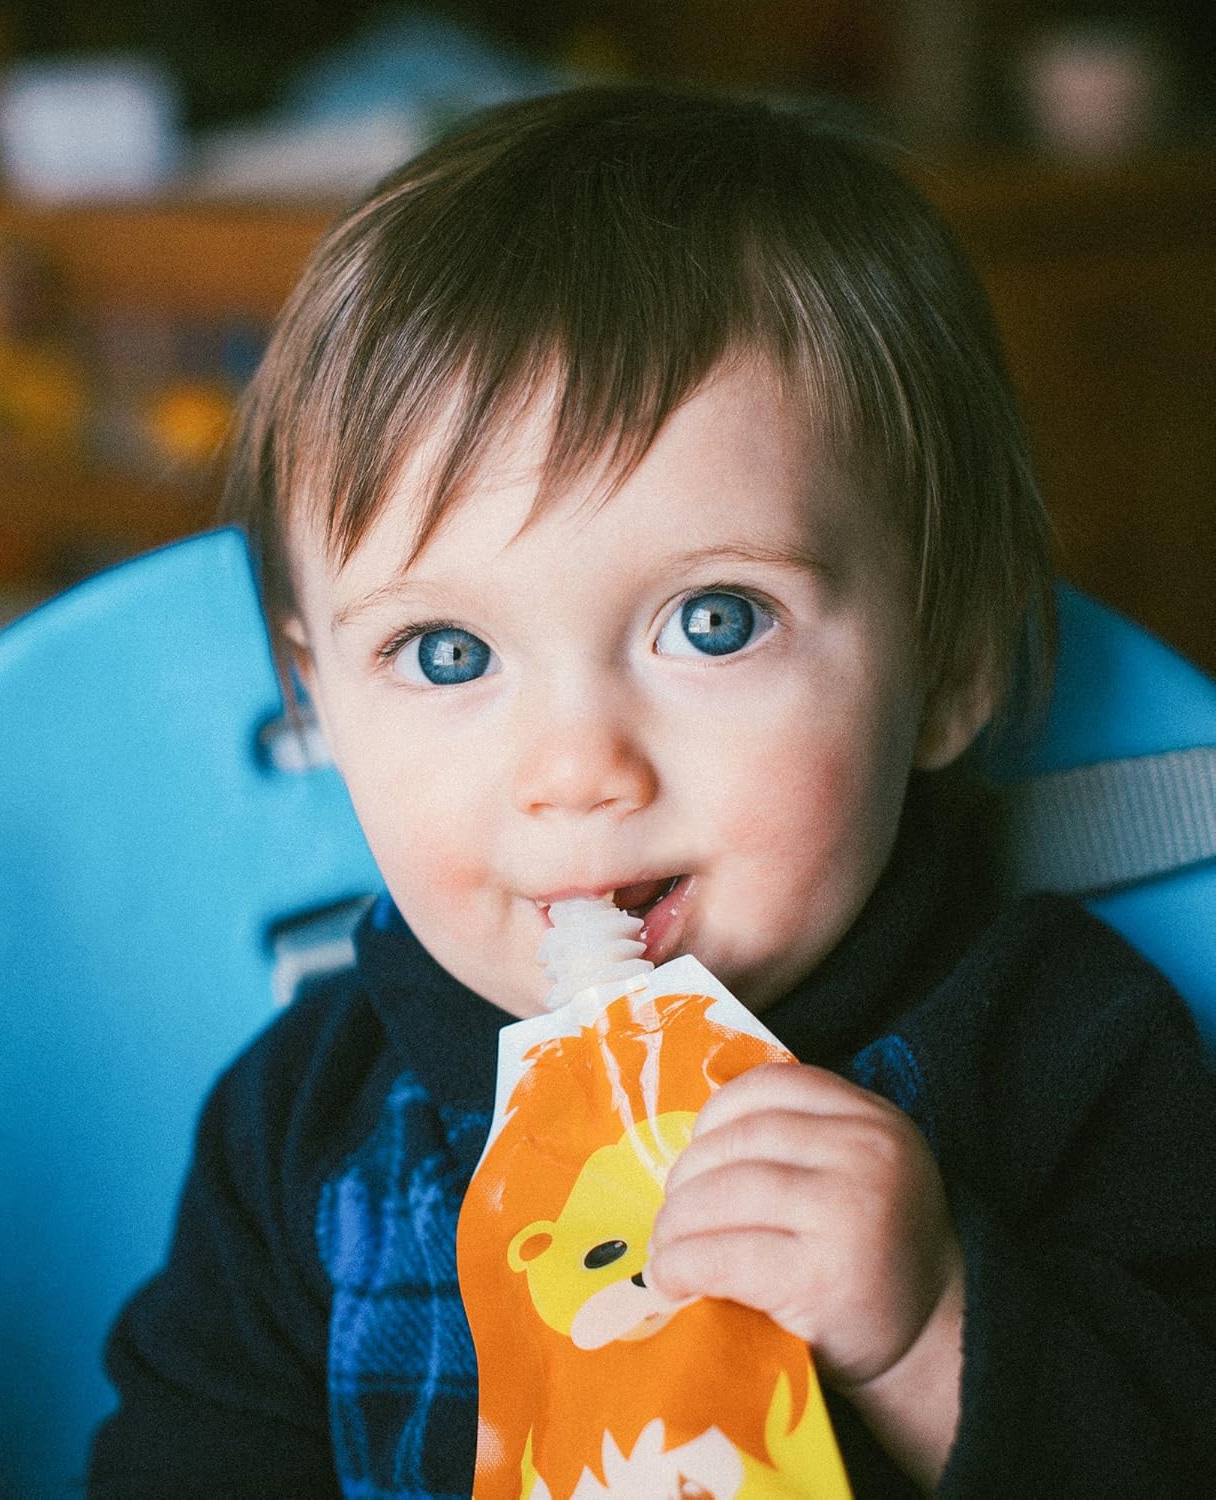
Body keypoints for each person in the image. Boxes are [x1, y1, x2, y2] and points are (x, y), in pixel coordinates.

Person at [88, 85, 1216, 1497]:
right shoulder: (307, 1132)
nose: (578, 770)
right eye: (447, 654)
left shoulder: (1063, 1056)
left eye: (714, 623)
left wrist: (933, 1329)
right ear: (318, 701)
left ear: (950, 665)